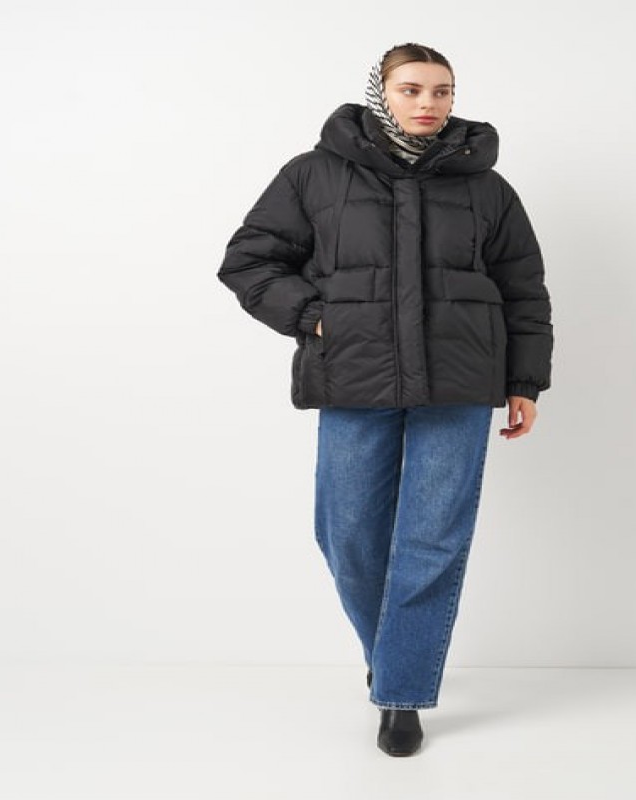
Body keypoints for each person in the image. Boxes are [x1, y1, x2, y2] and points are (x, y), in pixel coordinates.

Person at [217, 42, 553, 757]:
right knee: (346, 533)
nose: (428, 103)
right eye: (412, 89)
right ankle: (396, 654)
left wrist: (523, 381)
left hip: (461, 381)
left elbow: (524, 289)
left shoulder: (488, 189)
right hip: (355, 376)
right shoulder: (313, 174)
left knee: (432, 540)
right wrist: (317, 317)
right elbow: (248, 260)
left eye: (442, 90)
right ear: (382, 93)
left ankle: (400, 693)